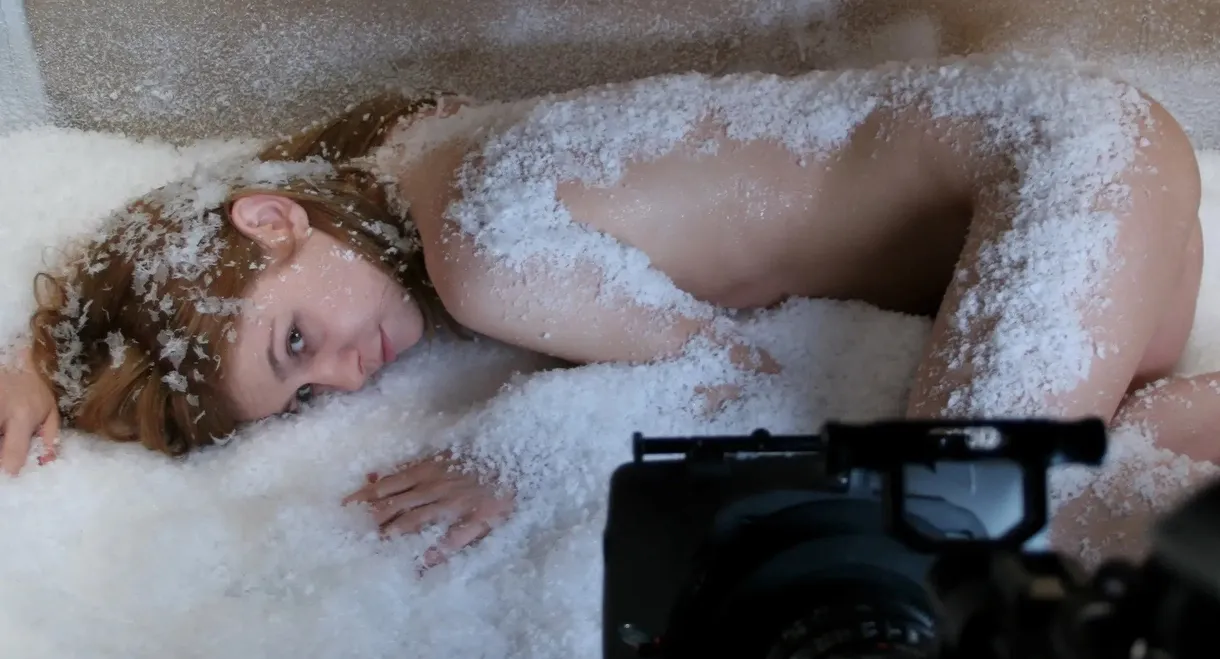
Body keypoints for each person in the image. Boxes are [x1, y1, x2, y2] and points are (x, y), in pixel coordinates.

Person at [0, 53, 1207, 564]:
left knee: (947, 524)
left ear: (273, 219)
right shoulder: (409, 164)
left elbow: (717, 365)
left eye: (296, 341)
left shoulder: (474, 244)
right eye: (305, 389)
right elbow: (187, 233)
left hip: (1056, 171)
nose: (346, 375)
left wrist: (525, 446)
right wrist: (44, 353)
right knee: (1118, 462)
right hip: (1081, 169)